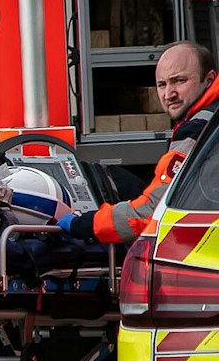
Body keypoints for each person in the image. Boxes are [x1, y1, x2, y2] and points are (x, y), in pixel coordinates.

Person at [61, 40, 219, 244]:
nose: (169, 94)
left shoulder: (199, 129)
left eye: (179, 81)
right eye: (162, 84)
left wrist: (86, 224)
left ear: (209, 79)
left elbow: (153, 213)